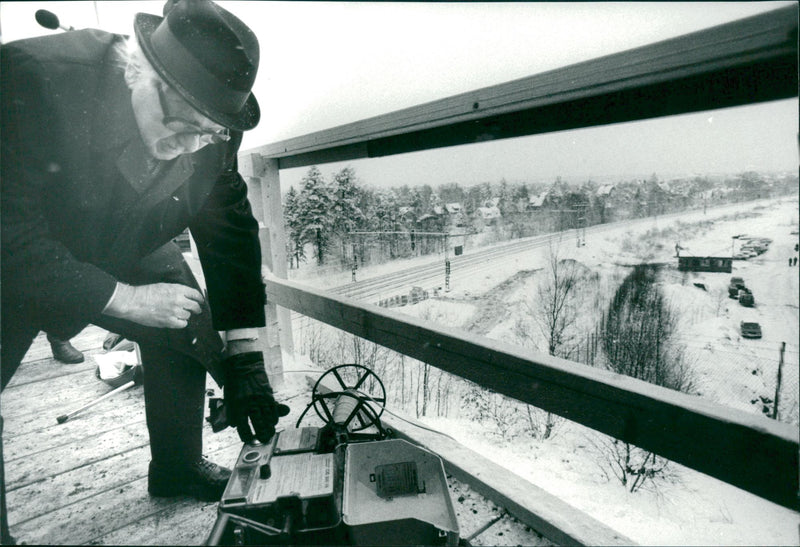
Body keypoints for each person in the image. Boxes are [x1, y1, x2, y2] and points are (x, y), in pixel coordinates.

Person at [1, 1, 289, 543]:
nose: (188, 145)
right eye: (180, 124)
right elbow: (9, 236)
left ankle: (176, 467)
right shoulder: (32, 79)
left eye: (205, 133)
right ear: (141, 73)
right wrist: (125, 299)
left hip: (122, 234)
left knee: (186, 322)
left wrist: (245, 352)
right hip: (14, 250)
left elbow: (226, 217)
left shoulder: (211, 126)